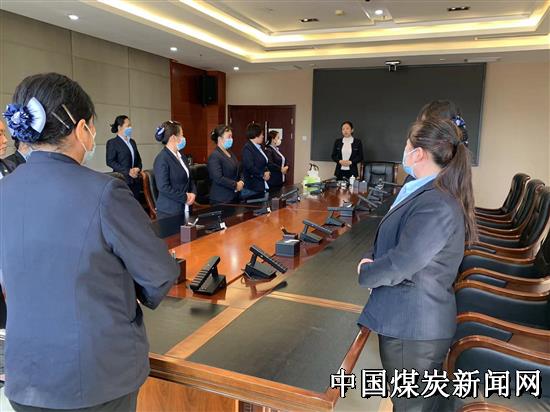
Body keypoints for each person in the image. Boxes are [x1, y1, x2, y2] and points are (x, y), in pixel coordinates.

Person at [0, 73, 179, 411]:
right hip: (97, 377)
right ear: (82, 128)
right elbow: (159, 274)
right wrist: (124, 292)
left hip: (25, 376)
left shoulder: (4, 190)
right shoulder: (105, 191)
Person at [357, 119, 477, 412]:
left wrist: (366, 273)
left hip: (413, 326)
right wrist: (372, 256)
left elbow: (402, 263)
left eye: (407, 146)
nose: (404, 152)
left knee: (410, 406)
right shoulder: (422, 190)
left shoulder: (437, 202)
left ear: (419, 153)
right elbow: (394, 236)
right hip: (409, 322)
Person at [153, 120, 196, 218]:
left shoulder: (182, 156)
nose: (183, 138)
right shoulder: (162, 159)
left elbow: (190, 178)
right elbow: (163, 187)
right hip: (169, 211)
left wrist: (193, 193)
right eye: (182, 135)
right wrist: (185, 197)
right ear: (173, 138)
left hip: (186, 207)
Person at [106, 115, 143, 199]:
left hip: (135, 181)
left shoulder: (132, 142)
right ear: (119, 127)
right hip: (123, 181)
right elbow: (110, 161)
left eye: (130, 125)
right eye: (128, 126)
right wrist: (128, 171)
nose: (130, 128)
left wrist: (138, 168)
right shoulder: (112, 143)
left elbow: (139, 160)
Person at [207, 124, 244, 205]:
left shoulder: (230, 153)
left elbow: (239, 169)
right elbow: (218, 178)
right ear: (220, 139)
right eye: (229, 137)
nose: (231, 139)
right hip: (221, 199)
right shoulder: (215, 156)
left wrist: (241, 181)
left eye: (231, 137)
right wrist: (235, 185)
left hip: (234, 196)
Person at [241, 122, 270, 199]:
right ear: (256, 134)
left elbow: (264, 162)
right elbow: (250, 167)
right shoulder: (247, 148)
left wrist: (267, 171)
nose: (263, 136)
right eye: (262, 134)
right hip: (252, 187)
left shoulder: (258, 147)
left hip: (260, 185)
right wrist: (262, 175)